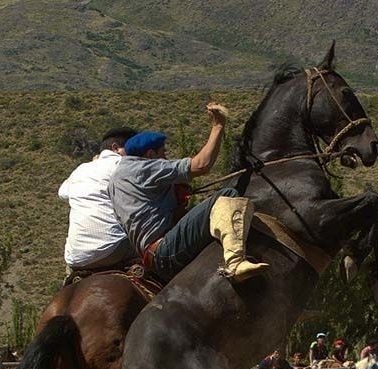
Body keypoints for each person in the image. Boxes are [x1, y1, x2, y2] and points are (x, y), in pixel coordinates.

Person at [108, 103, 269, 284]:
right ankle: (235, 263)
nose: (166, 159)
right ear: (151, 154)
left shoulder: (116, 180)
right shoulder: (142, 168)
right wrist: (218, 126)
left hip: (151, 256)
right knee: (226, 195)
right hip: (165, 250)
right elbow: (201, 165)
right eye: (164, 154)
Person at [58, 127, 138, 273]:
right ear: (116, 148)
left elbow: (62, 193)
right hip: (112, 247)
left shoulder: (82, 169)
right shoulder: (124, 165)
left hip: (75, 257)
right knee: (157, 254)